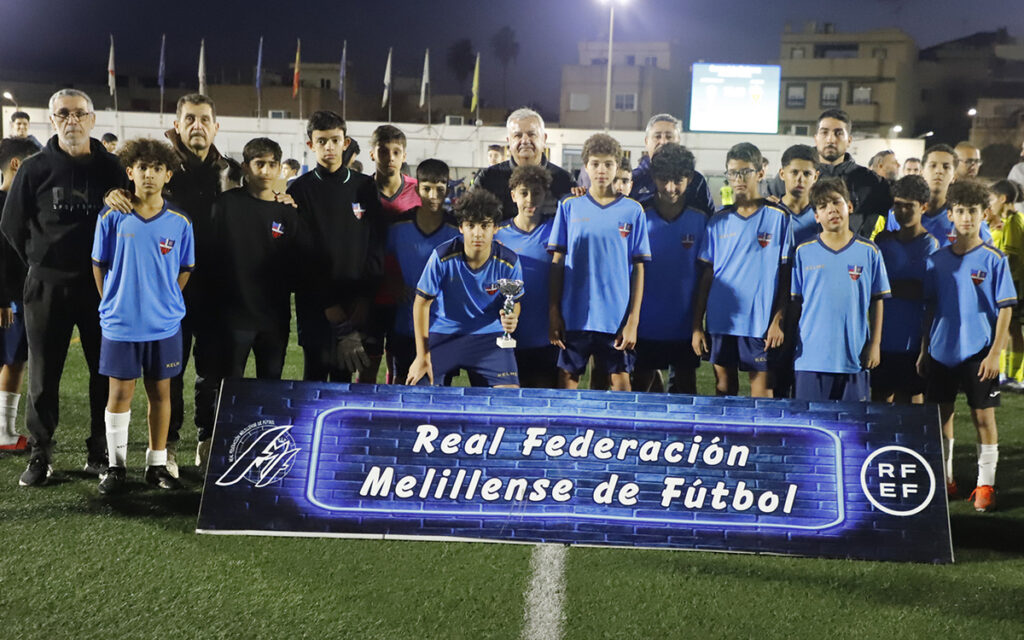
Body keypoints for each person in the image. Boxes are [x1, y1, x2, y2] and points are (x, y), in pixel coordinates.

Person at [1, 89, 127, 486]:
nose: (71, 120)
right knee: (43, 374)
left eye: (79, 113)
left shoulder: (113, 167)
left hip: (102, 287)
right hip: (47, 286)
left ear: (92, 119)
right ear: (51, 121)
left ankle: (99, 450)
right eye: (62, 114)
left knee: (103, 371)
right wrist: (41, 263)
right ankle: (41, 454)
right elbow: (11, 225)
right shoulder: (34, 168)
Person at [104, 93, 232, 474]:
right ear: (177, 125)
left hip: (216, 288)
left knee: (212, 371)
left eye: (205, 118)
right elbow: (123, 196)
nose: (198, 125)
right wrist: (111, 194)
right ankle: (168, 447)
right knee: (167, 375)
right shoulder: (157, 164)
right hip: (163, 293)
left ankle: (207, 441)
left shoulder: (230, 170)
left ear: (215, 126)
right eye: (190, 118)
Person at [91, 138, 192, 494]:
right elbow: (99, 264)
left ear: (168, 175)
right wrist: (114, 301)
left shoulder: (179, 222)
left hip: (163, 325)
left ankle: (156, 464)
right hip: (121, 323)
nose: (149, 175)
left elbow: (185, 268)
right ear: (130, 172)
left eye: (157, 169)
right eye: (143, 168)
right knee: (119, 395)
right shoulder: (112, 215)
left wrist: (164, 300)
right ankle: (116, 467)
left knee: (160, 394)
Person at [918, 179, 1016, 512]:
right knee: (941, 416)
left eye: (973, 211)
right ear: (951, 214)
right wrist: (923, 349)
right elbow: (930, 306)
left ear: (983, 214)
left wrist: (994, 353)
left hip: (979, 354)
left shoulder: (994, 259)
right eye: (960, 211)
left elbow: (1006, 308)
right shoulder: (937, 260)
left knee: (983, 417)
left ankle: (984, 485)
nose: (966, 218)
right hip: (941, 351)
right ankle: (945, 480)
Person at [288, 110, 385, 384]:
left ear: (345, 142)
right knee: (313, 382)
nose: (328, 147)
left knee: (344, 383)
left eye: (334, 140)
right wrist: (328, 305)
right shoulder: (300, 190)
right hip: (316, 306)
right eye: (321, 141)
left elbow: (375, 245)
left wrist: (365, 300)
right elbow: (303, 254)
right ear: (310, 145)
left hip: (356, 303)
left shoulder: (365, 187)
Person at [548, 133, 649, 392]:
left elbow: (638, 268)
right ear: (585, 166)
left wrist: (633, 321)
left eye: (608, 164)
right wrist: (554, 311)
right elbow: (557, 262)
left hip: (615, 317)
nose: (601, 170)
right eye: (595, 163)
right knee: (567, 383)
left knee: (621, 384)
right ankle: (568, 433)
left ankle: (621, 434)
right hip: (576, 315)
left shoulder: (633, 210)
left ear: (617, 166)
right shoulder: (570, 207)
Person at [692, 142, 789, 398]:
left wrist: (778, 320)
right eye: (732, 172)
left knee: (762, 396)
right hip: (722, 321)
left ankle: (763, 440)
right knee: (724, 391)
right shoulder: (717, 221)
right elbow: (707, 276)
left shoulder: (778, 217)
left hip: (759, 324)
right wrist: (697, 325)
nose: (738, 179)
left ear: (760, 173)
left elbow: (786, 275)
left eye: (745, 171)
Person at [207, 138, 308, 380]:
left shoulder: (287, 212)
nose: (266, 171)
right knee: (228, 390)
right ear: (245, 167)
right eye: (259, 164)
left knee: (270, 390)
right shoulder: (225, 205)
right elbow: (210, 257)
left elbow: (298, 262)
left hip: (274, 318)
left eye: (272, 164)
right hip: (234, 318)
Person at [406, 188, 522, 387]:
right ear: (461, 227)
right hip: (445, 334)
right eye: (471, 225)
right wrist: (421, 356)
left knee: (508, 399)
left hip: (489, 337)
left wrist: (513, 317)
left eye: (485, 226)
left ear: (495, 228)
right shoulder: (442, 256)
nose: (478, 233)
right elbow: (421, 304)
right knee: (419, 390)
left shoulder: (509, 261)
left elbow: (514, 302)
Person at [791, 178, 890, 402]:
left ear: (850, 207)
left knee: (852, 429)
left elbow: (877, 301)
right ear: (816, 216)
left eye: (836, 202)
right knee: (811, 429)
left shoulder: (869, 251)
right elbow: (796, 303)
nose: (831, 210)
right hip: (811, 358)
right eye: (823, 206)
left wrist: (874, 344)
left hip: (853, 356)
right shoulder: (804, 251)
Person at [634, 143, 707, 394]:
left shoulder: (700, 219)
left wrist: (698, 324)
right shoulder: (639, 216)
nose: (670, 188)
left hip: (684, 326)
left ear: (689, 179)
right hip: (644, 325)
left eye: (678, 180)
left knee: (685, 394)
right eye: (664, 180)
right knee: (639, 396)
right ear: (654, 178)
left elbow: (705, 275)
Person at [383, 159, 459, 384]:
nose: (433, 195)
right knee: (402, 387)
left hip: (442, 326)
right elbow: (381, 262)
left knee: (439, 388)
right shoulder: (398, 225)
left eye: (440, 188)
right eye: (427, 188)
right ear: (417, 189)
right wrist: (394, 285)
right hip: (404, 324)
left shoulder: (457, 229)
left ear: (448, 188)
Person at [871, 175, 940, 403]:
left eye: (908, 206)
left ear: (924, 207)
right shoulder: (882, 241)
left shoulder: (929, 245)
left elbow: (921, 291)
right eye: (897, 205)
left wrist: (885, 288)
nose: (902, 211)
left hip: (912, 341)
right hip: (882, 340)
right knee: (879, 404)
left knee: (910, 408)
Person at [496, 164, 557, 388]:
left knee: (543, 404)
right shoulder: (498, 235)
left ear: (545, 195)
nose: (530, 199)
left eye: (536, 192)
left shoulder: (557, 230)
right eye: (524, 193)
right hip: (509, 334)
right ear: (513, 196)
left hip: (546, 335)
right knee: (508, 404)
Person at [772, 144, 820, 398]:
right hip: (775, 305)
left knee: (806, 376)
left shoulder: (823, 217)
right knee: (775, 379)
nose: (800, 179)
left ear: (816, 176)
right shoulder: (770, 212)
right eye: (794, 172)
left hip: (811, 305)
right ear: (782, 174)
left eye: (807, 174)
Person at [0, 138, 37, 451]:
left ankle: (5, 430)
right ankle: (3, 432)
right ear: (16, 164)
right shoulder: (5, 202)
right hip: (10, 299)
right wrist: (3, 299)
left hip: (12, 296)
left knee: (16, 361)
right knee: (13, 361)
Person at [879, 144, 992, 247]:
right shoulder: (900, 210)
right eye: (933, 166)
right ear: (922, 171)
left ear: (954, 176)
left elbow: (985, 255)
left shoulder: (966, 214)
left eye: (946, 167)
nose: (939, 171)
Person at [475, 108, 575, 220]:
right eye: (518, 135)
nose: (525, 140)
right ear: (509, 141)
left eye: (532, 134)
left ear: (544, 139)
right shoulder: (488, 179)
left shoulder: (564, 180)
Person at [986, 179, 1024, 390]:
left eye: (992, 199)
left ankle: (1013, 376)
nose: (990, 204)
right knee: (1008, 330)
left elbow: (1012, 259)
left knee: (1012, 330)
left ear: (1002, 199)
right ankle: (1006, 374)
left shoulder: (1013, 223)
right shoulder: (1007, 222)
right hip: (1010, 284)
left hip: (1014, 285)